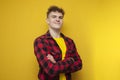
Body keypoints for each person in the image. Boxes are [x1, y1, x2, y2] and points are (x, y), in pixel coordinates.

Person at [34, 5, 82, 80]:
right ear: (47, 20)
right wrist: (71, 60)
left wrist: (56, 63)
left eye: (60, 17)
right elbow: (51, 70)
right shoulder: (40, 41)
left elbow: (79, 64)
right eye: (54, 17)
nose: (57, 19)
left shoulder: (69, 42)